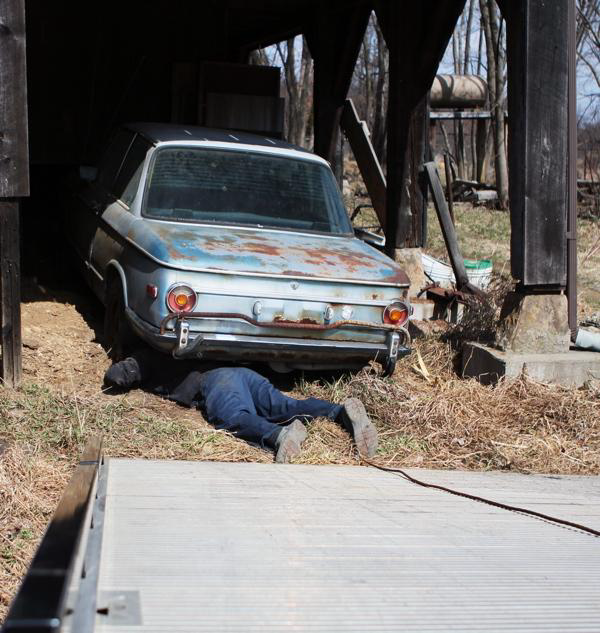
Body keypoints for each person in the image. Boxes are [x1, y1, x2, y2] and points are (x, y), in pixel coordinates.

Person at [104, 350, 378, 463]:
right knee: (286, 405)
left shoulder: (149, 354)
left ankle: (278, 436)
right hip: (247, 373)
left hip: (215, 378)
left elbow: (119, 374)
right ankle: (338, 412)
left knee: (234, 416)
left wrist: (122, 370)